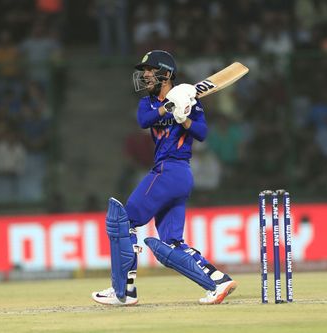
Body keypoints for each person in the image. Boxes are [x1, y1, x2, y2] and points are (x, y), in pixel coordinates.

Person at [92, 50, 237, 306]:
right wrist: (169, 107)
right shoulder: (148, 103)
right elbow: (143, 120)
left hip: (170, 171)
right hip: (176, 177)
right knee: (171, 243)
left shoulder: (189, 101)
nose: (145, 75)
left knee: (123, 222)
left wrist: (185, 118)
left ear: (165, 74)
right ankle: (217, 281)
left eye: (150, 70)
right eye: (144, 70)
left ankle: (123, 291)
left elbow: (202, 133)